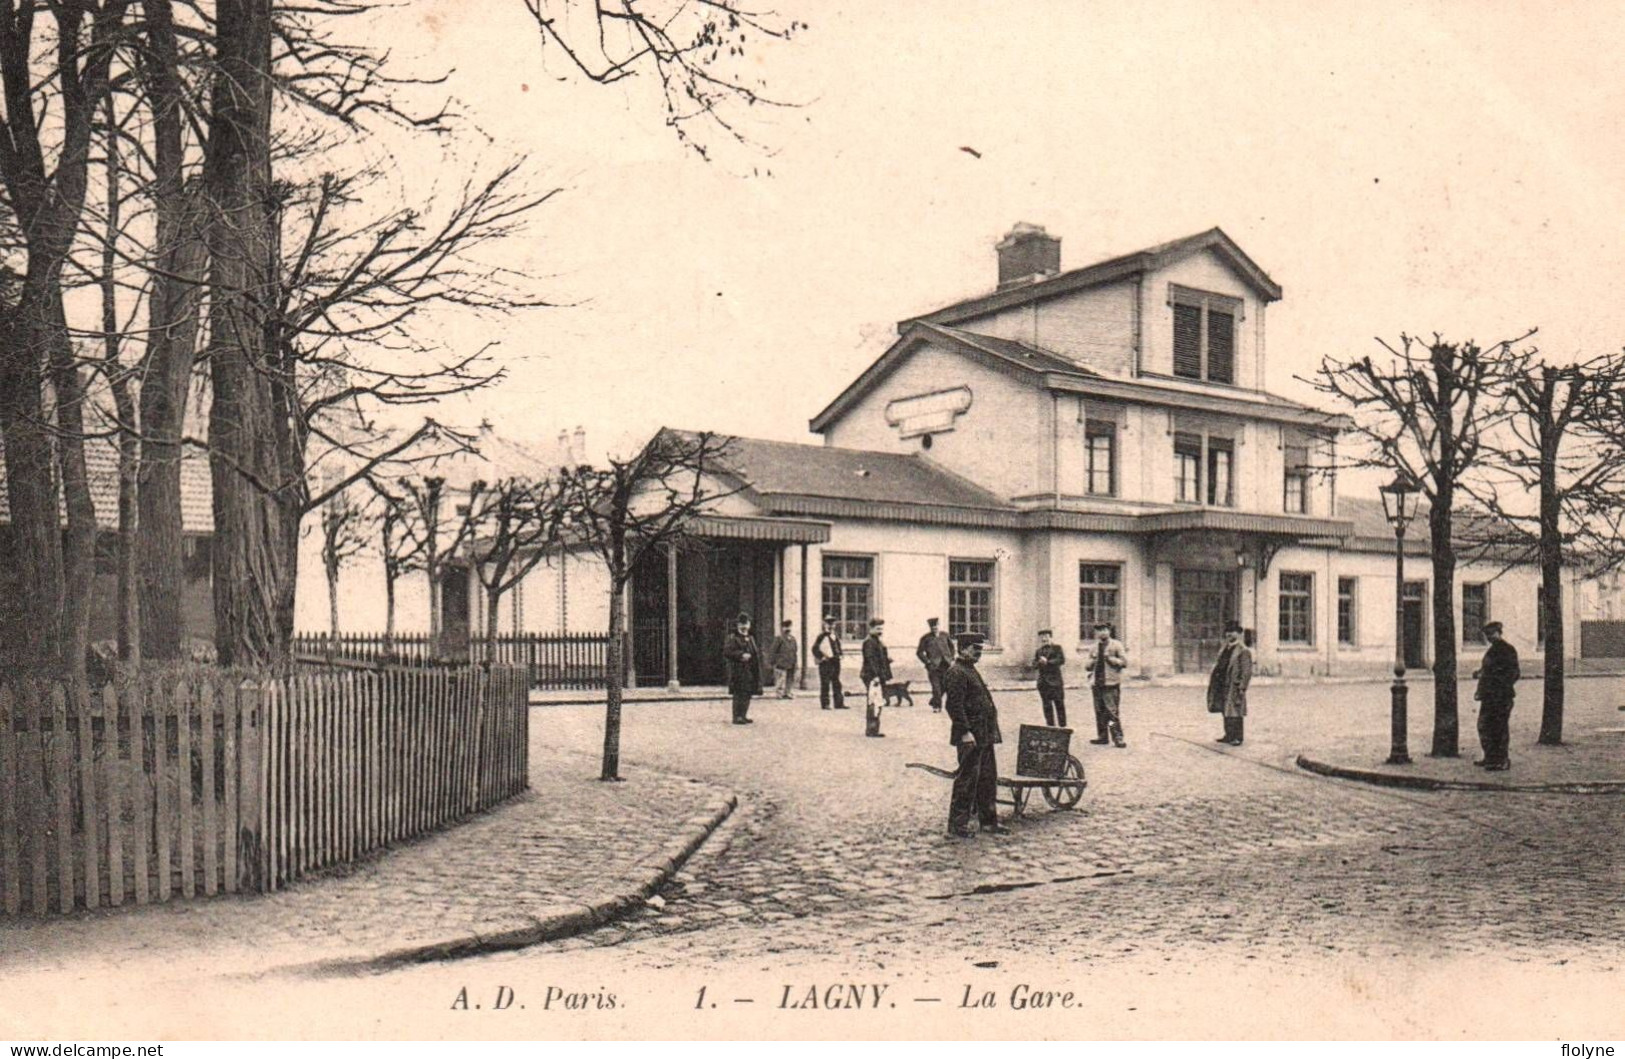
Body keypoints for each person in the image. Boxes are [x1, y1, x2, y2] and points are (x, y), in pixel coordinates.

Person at [943, 633, 1008, 838]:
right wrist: (964, 732)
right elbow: (954, 706)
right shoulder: (956, 672)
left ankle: (988, 822)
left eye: (980, 649)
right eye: (974, 649)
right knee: (967, 781)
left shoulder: (969, 669)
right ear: (962, 649)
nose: (979, 653)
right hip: (970, 737)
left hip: (984, 735)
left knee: (988, 779)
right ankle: (957, 825)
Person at [1473, 621, 1521, 771]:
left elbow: (1514, 673)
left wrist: (1500, 686)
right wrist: (1479, 673)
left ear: (1499, 633)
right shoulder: (1492, 650)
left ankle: (1502, 760)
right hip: (1488, 696)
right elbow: (1488, 669)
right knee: (1485, 726)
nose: (1489, 637)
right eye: (1487, 635)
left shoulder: (1507, 650)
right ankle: (1490, 757)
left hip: (1501, 697)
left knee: (1499, 728)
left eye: (1491, 634)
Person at [1084, 621, 1129, 747]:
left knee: (1111, 712)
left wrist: (1110, 659)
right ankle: (1102, 736)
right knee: (1099, 711)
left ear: (1109, 631)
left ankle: (1118, 737)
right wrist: (1092, 661)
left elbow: (1124, 662)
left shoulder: (1116, 645)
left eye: (1104, 629)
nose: (1102, 632)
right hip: (1097, 683)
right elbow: (1087, 667)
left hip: (1111, 683)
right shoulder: (1093, 647)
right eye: (1099, 630)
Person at [1207, 620, 1252, 745]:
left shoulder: (1243, 651)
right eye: (1227, 632)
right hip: (1222, 683)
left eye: (1232, 632)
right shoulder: (1225, 648)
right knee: (1225, 710)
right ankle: (1228, 735)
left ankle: (1238, 737)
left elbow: (1246, 672)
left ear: (1238, 633)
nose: (1229, 634)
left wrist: (1242, 687)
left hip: (1234, 685)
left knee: (1236, 711)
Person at [723, 613, 763, 725]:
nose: (744, 627)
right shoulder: (732, 638)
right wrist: (740, 655)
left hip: (750, 670)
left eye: (746, 624)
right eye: (741, 624)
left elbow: (755, 654)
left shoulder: (751, 638)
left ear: (749, 625)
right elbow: (727, 652)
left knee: (747, 693)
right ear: (737, 625)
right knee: (739, 693)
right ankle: (736, 716)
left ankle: (743, 715)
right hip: (738, 670)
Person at [860, 617, 892, 737]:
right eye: (878, 628)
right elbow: (870, 660)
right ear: (871, 628)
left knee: (878, 701)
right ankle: (872, 729)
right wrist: (875, 675)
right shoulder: (869, 642)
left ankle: (874, 728)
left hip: (878, 675)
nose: (880, 631)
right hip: (873, 676)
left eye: (881, 628)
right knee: (874, 701)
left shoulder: (877, 641)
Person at [915, 617, 955, 713]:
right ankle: (937, 707)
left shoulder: (945, 635)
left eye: (936, 626)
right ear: (930, 628)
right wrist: (927, 662)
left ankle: (934, 701)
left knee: (945, 686)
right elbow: (919, 652)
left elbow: (952, 647)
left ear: (938, 626)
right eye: (933, 627)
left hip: (946, 665)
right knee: (936, 687)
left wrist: (951, 658)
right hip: (933, 667)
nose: (935, 628)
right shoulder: (925, 638)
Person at [1032, 629, 1068, 728]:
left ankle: (1062, 726)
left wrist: (1048, 662)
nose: (1044, 639)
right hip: (1043, 683)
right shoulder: (1038, 651)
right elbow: (1034, 664)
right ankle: (1050, 725)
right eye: (1042, 637)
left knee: (1059, 704)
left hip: (1055, 682)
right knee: (1046, 705)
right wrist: (1039, 662)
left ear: (1050, 637)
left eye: (1046, 636)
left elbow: (1061, 660)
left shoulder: (1057, 648)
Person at [811, 615, 848, 710]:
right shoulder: (821, 636)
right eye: (829, 623)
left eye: (833, 623)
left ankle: (839, 703)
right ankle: (825, 704)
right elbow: (814, 648)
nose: (831, 626)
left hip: (835, 662)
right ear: (824, 624)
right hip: (826, 663)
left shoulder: (835, 635)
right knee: (825, 683)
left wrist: (840, 654)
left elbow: (838, 647)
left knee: (837, 682)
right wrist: (822, 657)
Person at [770, 619, 798, 699]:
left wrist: (796, 662)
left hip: (791, 661)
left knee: (790, 678)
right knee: (780, 679)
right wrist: (773, 662)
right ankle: (779, 693)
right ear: (782, 628)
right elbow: (773, 650)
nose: (788, 629)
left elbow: (795, 651)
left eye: (789, 627)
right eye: (786, 627)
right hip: (781, 662)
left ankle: (788, 692)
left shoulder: (793, 639)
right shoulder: (779, 638)